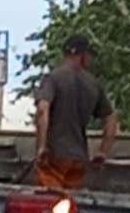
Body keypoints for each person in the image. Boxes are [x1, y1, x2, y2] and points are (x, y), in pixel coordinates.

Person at [34, 35, 119, 190]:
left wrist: (41, 146)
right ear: (82, 55)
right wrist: (102, 152)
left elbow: (42, 109)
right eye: (89, 55)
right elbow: (111, 119)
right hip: (79, 159)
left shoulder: (53, 78)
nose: (90, 59)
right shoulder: (93, 84)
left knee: (48, 203)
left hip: (54, 156)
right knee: (69, 204)